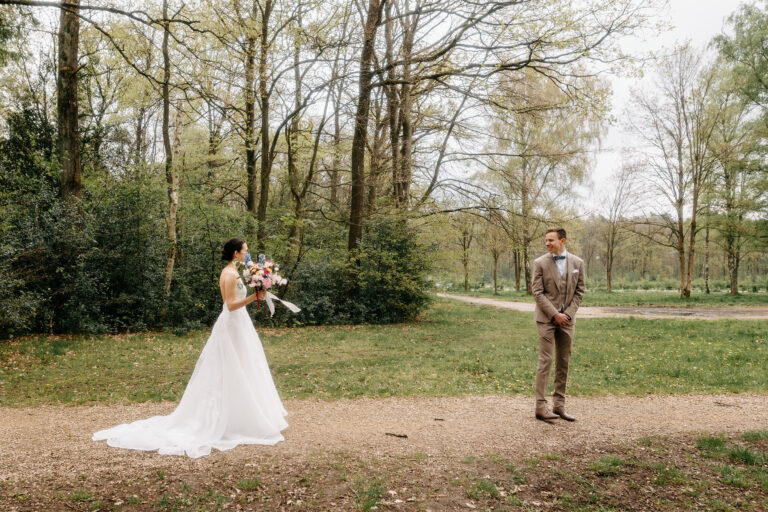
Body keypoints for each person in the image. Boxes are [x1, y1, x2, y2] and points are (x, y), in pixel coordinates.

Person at [93, 238, 288, 458]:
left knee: (243, 366)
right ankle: (231, 418)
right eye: (244, 250)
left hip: (238, 325)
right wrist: (255, 296)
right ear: (236, 253)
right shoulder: (231, 274)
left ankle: (241, 413)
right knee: (232, 367)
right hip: (233, 324)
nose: (247, 253)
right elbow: (231, 305)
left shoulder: (232, 272)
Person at [531, 227, 585, 422]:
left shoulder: (578, 263)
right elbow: (537, 292)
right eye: (546, 240)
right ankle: (540, 407)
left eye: (551, 240)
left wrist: (567, 314)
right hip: (546, 319)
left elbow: (580, 291)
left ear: (563, 240)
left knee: (564, 361)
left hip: (567, 321)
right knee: (545, 361)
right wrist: (555, 314)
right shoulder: (540, 263)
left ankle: (559, 406)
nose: (547, 244)